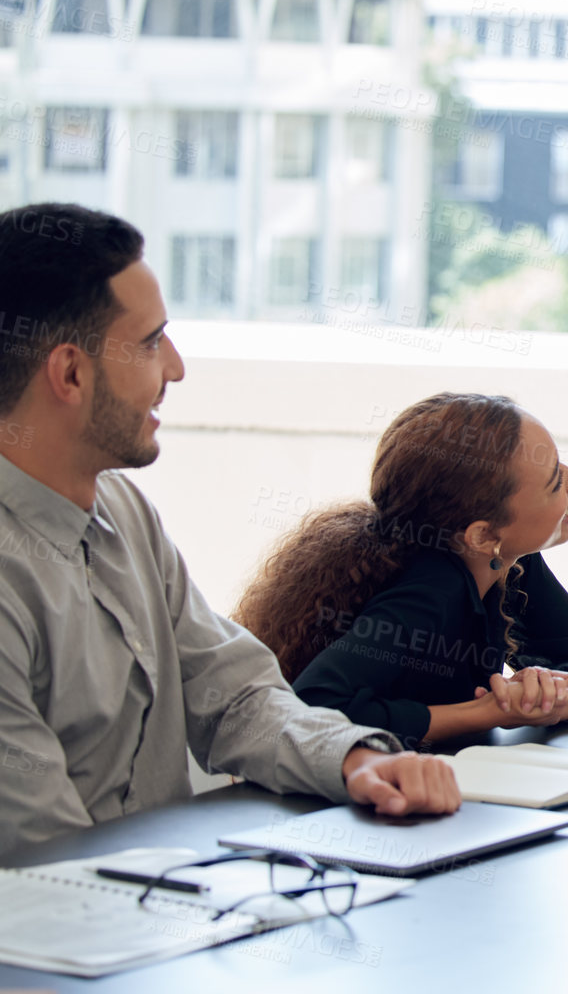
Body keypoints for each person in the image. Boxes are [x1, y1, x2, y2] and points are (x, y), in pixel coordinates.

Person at [0, 203, 458, 854]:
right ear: (70, 373)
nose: (177, 368)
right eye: (151, 341)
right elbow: (45, 862)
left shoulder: (125, 511)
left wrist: (355, 760)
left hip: (152, 913)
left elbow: (234, 694)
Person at [237, 394, 568, 748]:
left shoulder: (508, 561)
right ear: (483, 534)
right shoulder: (432, 588)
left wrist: (562, 695)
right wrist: (485, 712)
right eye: (555, 481)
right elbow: (308, 711)